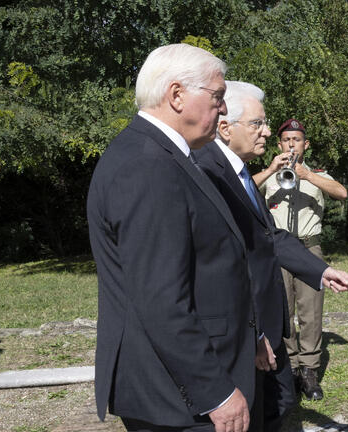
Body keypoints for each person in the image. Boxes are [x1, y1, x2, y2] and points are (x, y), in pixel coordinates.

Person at [87, 43, 254, 432]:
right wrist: (215, 393)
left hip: (182, 386)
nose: (224, 109)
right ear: (177, 95)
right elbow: (162, 299)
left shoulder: (164, 156)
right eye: (217, 97)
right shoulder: (148, 164)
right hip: (179, 396)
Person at [194, 81, 348, 431]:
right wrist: (251, 335)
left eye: (268, 125)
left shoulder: (237, 173)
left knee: (278, 403)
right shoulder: (213, 173)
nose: (268, 132)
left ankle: (308, 371)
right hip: (243, 334)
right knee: (264, 409)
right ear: (225, 127)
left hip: (301, 256)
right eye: (258, 124)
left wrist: (320, 269)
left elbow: (270, 235)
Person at [254, 119, 348, 401]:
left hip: (309, 250)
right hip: (278, 252)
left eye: (297, 139)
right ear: (279, 144)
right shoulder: (270, 176)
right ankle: (289, 368)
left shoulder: (317, 174)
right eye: (286, 140)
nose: (291, 144)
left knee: (310, 313)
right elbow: (237, 187)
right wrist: (272, 169)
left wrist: (306, 176)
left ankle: (309, 371)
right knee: (283, 313)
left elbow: (341, 193)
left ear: (305, 145)